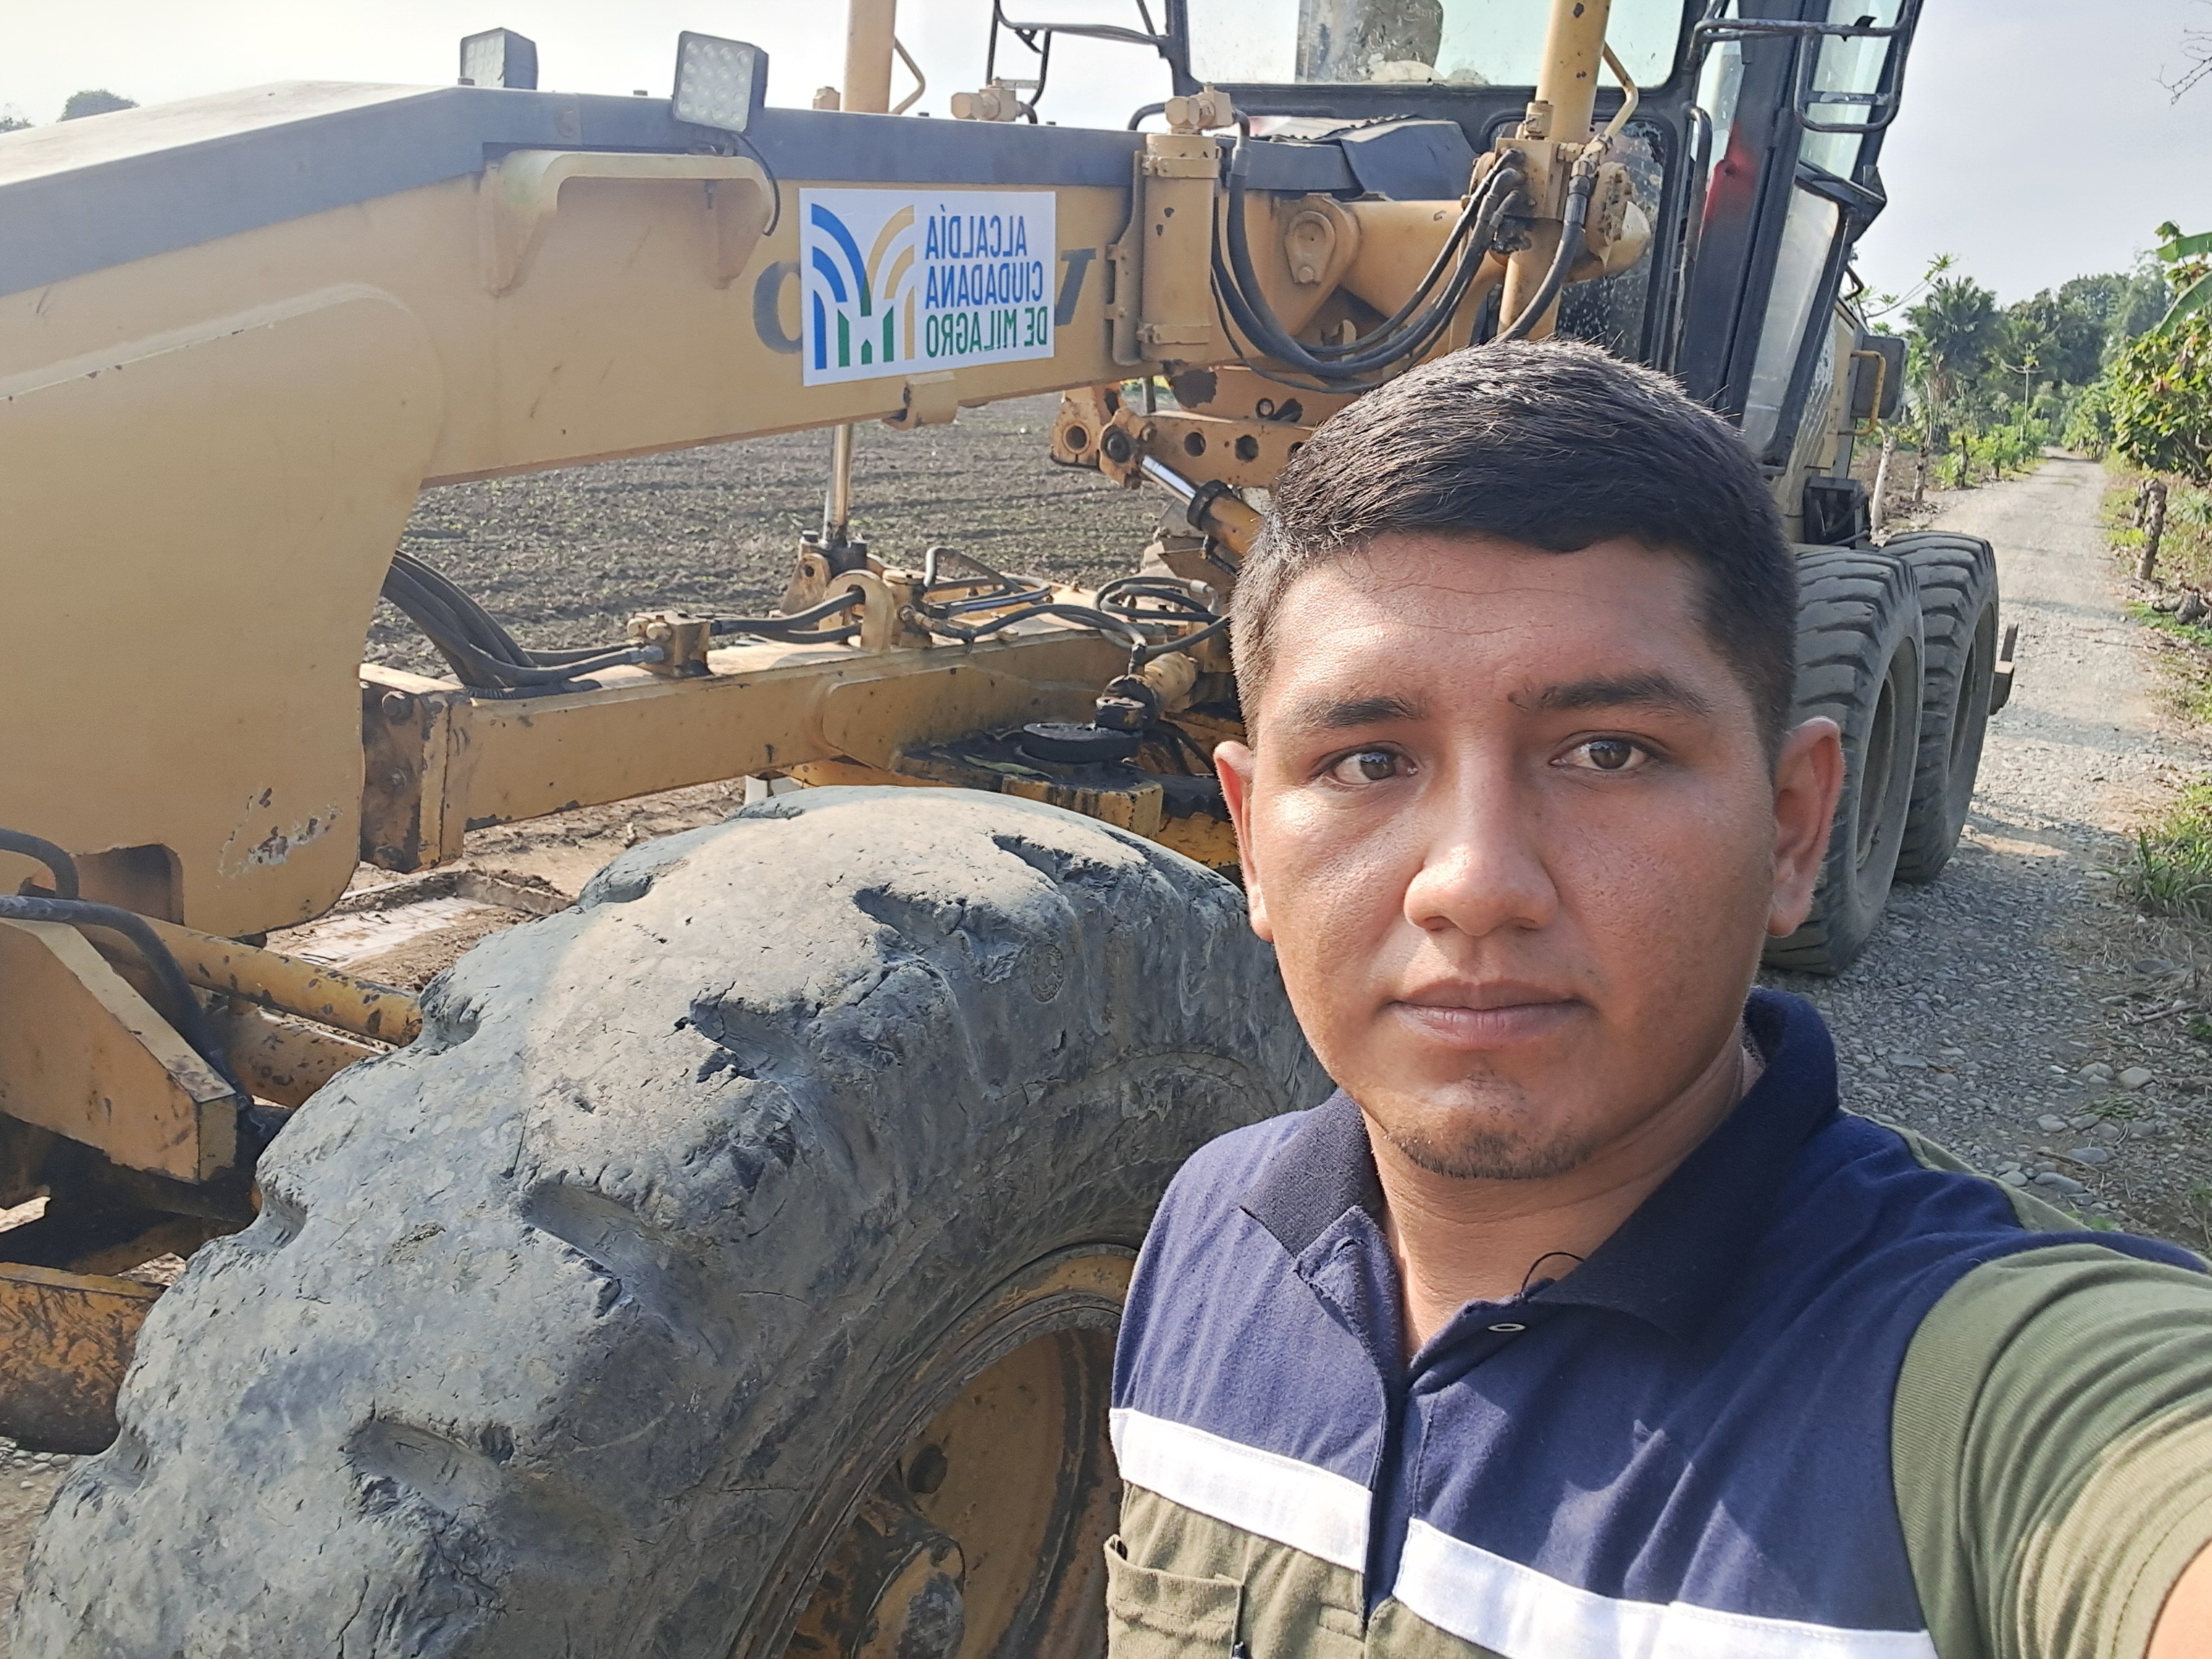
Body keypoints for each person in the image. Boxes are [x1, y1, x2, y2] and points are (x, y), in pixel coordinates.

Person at [1105, 341, 2212, 1658]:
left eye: (1608, 752)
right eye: (1368, 761)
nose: (1473, 884)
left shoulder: (1977, 1392)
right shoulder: (1210, 1230)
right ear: (1249, 838)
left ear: (1793, 828)